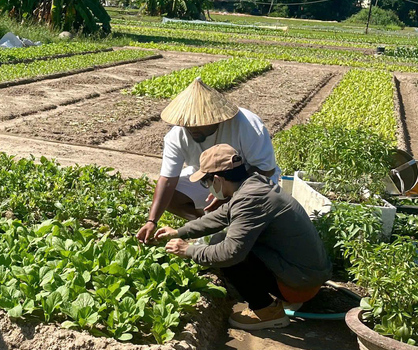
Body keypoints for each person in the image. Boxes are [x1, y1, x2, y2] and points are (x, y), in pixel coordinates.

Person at [154, 144, 332, 330]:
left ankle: (268, 312)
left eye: (206, 182)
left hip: (300, 286)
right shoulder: (255, 185)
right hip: (307, 276)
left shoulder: (250, 199)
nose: (208, 187)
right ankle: (281, 299)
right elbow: (221, 216)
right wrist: (179, 232)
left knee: (224, 247)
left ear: (217, 180)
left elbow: (230, 254)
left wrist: (188, 250)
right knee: (227, 240)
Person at [137, 77, 279, 244]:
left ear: (216, 118)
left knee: (245, 217)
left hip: (250, 179)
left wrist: (227, 194)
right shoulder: (177, 136)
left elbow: (266, 169)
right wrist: (151, 221)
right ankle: (207, 225)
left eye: (199, 124)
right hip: (208, 178)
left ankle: (230, 222)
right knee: (172, 196)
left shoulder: (246, 124)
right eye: (188, 124)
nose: (192, 129)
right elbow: (167, 180)